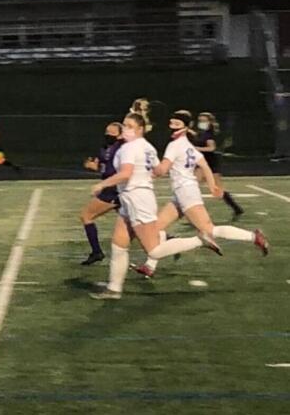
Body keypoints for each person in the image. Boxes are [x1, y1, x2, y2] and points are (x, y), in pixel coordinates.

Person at [132, 111, 268, 277]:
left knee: (208, 230)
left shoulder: (175, 146)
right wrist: (212, 186)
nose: (172, 127)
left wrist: (144, 167)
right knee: (156, 228)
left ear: (185, 127)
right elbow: (204, 166)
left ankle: (254, 237)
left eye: (176, 124)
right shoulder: (188, 145)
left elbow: (162, 170)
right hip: (181, 193)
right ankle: (150, 266)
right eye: (171, 123)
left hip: (186, 192)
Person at [88, 111, 162, 300]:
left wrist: (102, 184)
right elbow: (159, 170)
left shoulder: (130, 148)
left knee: (153, 249)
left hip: (136, 197)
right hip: (133, 197)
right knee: (119, 244)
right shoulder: (147, 146)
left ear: (140, 129)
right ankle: (114, 288)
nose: (125, 129)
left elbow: (126, 173)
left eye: (129, 126)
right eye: (125, 125)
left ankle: (198, 241)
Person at [79, 122, 124, 265]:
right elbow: (104, 166)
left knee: (86, 215)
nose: (109, 136)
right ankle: (165, 237)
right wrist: (94, 166)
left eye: (112, 134)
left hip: (114, 191)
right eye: (107, 133)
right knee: (135, 221)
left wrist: (103, 184)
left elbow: (117, 171)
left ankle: (97, 251)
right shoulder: (105, 148)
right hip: (110, 189)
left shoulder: (121, 148)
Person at [193, 112, 243, 219]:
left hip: (210, 163)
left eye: (204, 121)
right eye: (200, 120)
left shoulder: (209, 134)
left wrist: (197, 149)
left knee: (217, 189)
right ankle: (195, 213)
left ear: (210, 122)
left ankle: (236, 208)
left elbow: (211, 148)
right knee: (193, 185)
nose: (201, 123)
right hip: (202, 163)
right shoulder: (201, 133)